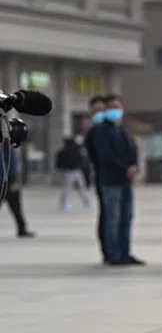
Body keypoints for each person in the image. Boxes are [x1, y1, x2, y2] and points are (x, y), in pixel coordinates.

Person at [93, 95, 144, 266]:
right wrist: (125, 168)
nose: (116, 110)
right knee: (112, 219)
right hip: (111, 180)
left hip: (126, 181)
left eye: (118, 106)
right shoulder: (102, 131)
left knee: (126, 218)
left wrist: (135, 166)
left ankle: (125, 252)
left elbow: (133, 149)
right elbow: (106, 156)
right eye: (112, 107)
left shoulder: (122, 128)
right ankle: (113, 254)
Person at [85, 96, 109, 262]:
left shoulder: (111, 129)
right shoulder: (94, 132)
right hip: (104, 177)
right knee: (106, 215)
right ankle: (107, 249)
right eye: (96, 111)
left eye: (102, 110)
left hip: (114, 178)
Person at [0, 146, 35, 238]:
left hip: (6, 182)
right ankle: (22, 229)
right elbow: (12, 166)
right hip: (8, 183)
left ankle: (22, 229)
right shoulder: (8, 149)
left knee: (16, 208)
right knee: (16, 208)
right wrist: (13, 181)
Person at [56, 135, 93, 212]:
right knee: (78, 188)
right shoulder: (75, 149)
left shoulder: (65, 150)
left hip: (71, 171)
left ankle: (86, 202)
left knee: (72, 188)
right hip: (74, 171)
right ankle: (86, 202)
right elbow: (82, 158)